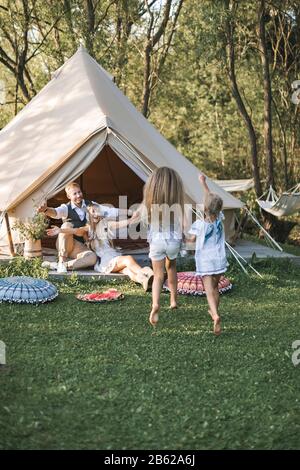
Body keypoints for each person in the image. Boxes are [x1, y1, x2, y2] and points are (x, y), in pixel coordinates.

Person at [125, 167, 185, 326]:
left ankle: (156, 304)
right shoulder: (177, 201)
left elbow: (134, 216)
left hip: (156, 242)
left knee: (158, 275)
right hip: (173, 241)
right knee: (171, 267)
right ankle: (173, 300)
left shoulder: (148, 202)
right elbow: (184, 223)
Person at [46, 203, 154, 291]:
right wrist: (60, 230)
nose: (96, 213)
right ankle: (146, 275)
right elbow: (76, 231)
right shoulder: (88, 230)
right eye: (92, 211)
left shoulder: (106, 223)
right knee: (128, 259)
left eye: (97, 211)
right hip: (106, 261)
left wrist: (137, 216)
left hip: (113, 255)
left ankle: (143, 281)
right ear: (88, 215)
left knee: (127, 270)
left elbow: (125, 223)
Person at [38, 182, 126, 273]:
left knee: (93, 258)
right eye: (74, 194)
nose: (78, 195)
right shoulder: (66, 208)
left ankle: (59, 266)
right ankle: (61, 261)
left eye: (79, 192)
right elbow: (56, 212)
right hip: (66, 243)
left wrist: (130, 212)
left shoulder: (91, 205)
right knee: (66, 225)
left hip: (80, 246)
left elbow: (110, 211)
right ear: (69, 196)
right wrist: (46, 210)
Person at [186, 174, 228, 336]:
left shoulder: (199, 225)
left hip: (205, 262)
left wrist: (185, 234)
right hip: (219, 260)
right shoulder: (220, 219)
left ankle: (215, 315)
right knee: (216, 287)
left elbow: (191, 238)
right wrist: (203, 184)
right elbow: (212, 202)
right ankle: (214, 311)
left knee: (209, 290)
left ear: (204, 208)